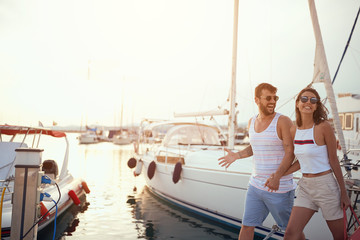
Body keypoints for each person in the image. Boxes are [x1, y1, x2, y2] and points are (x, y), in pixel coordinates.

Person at [266, 87, 350, 240]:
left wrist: (343, 193)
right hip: (305, 187)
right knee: (291, 235)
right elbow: (300, 162)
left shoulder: (323, 127)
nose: (308, 103)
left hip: (326, 187)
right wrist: (278, 176)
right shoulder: (293, 130)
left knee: (340, 237)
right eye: (304, 99)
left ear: (317, 105)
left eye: (313, 100)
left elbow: (333, 160)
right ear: (297, 103)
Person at [218, 83, 296, 240]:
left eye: (275, 98)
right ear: (257, 100)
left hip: (279, 188)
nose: (273, 101)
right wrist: (237, 155)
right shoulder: (251, 122)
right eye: (268, 98)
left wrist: (277, 177)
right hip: (255, 185)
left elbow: (290, 153)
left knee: (291, 231)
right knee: (247, 226)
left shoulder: (283, 121)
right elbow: (255, 146)